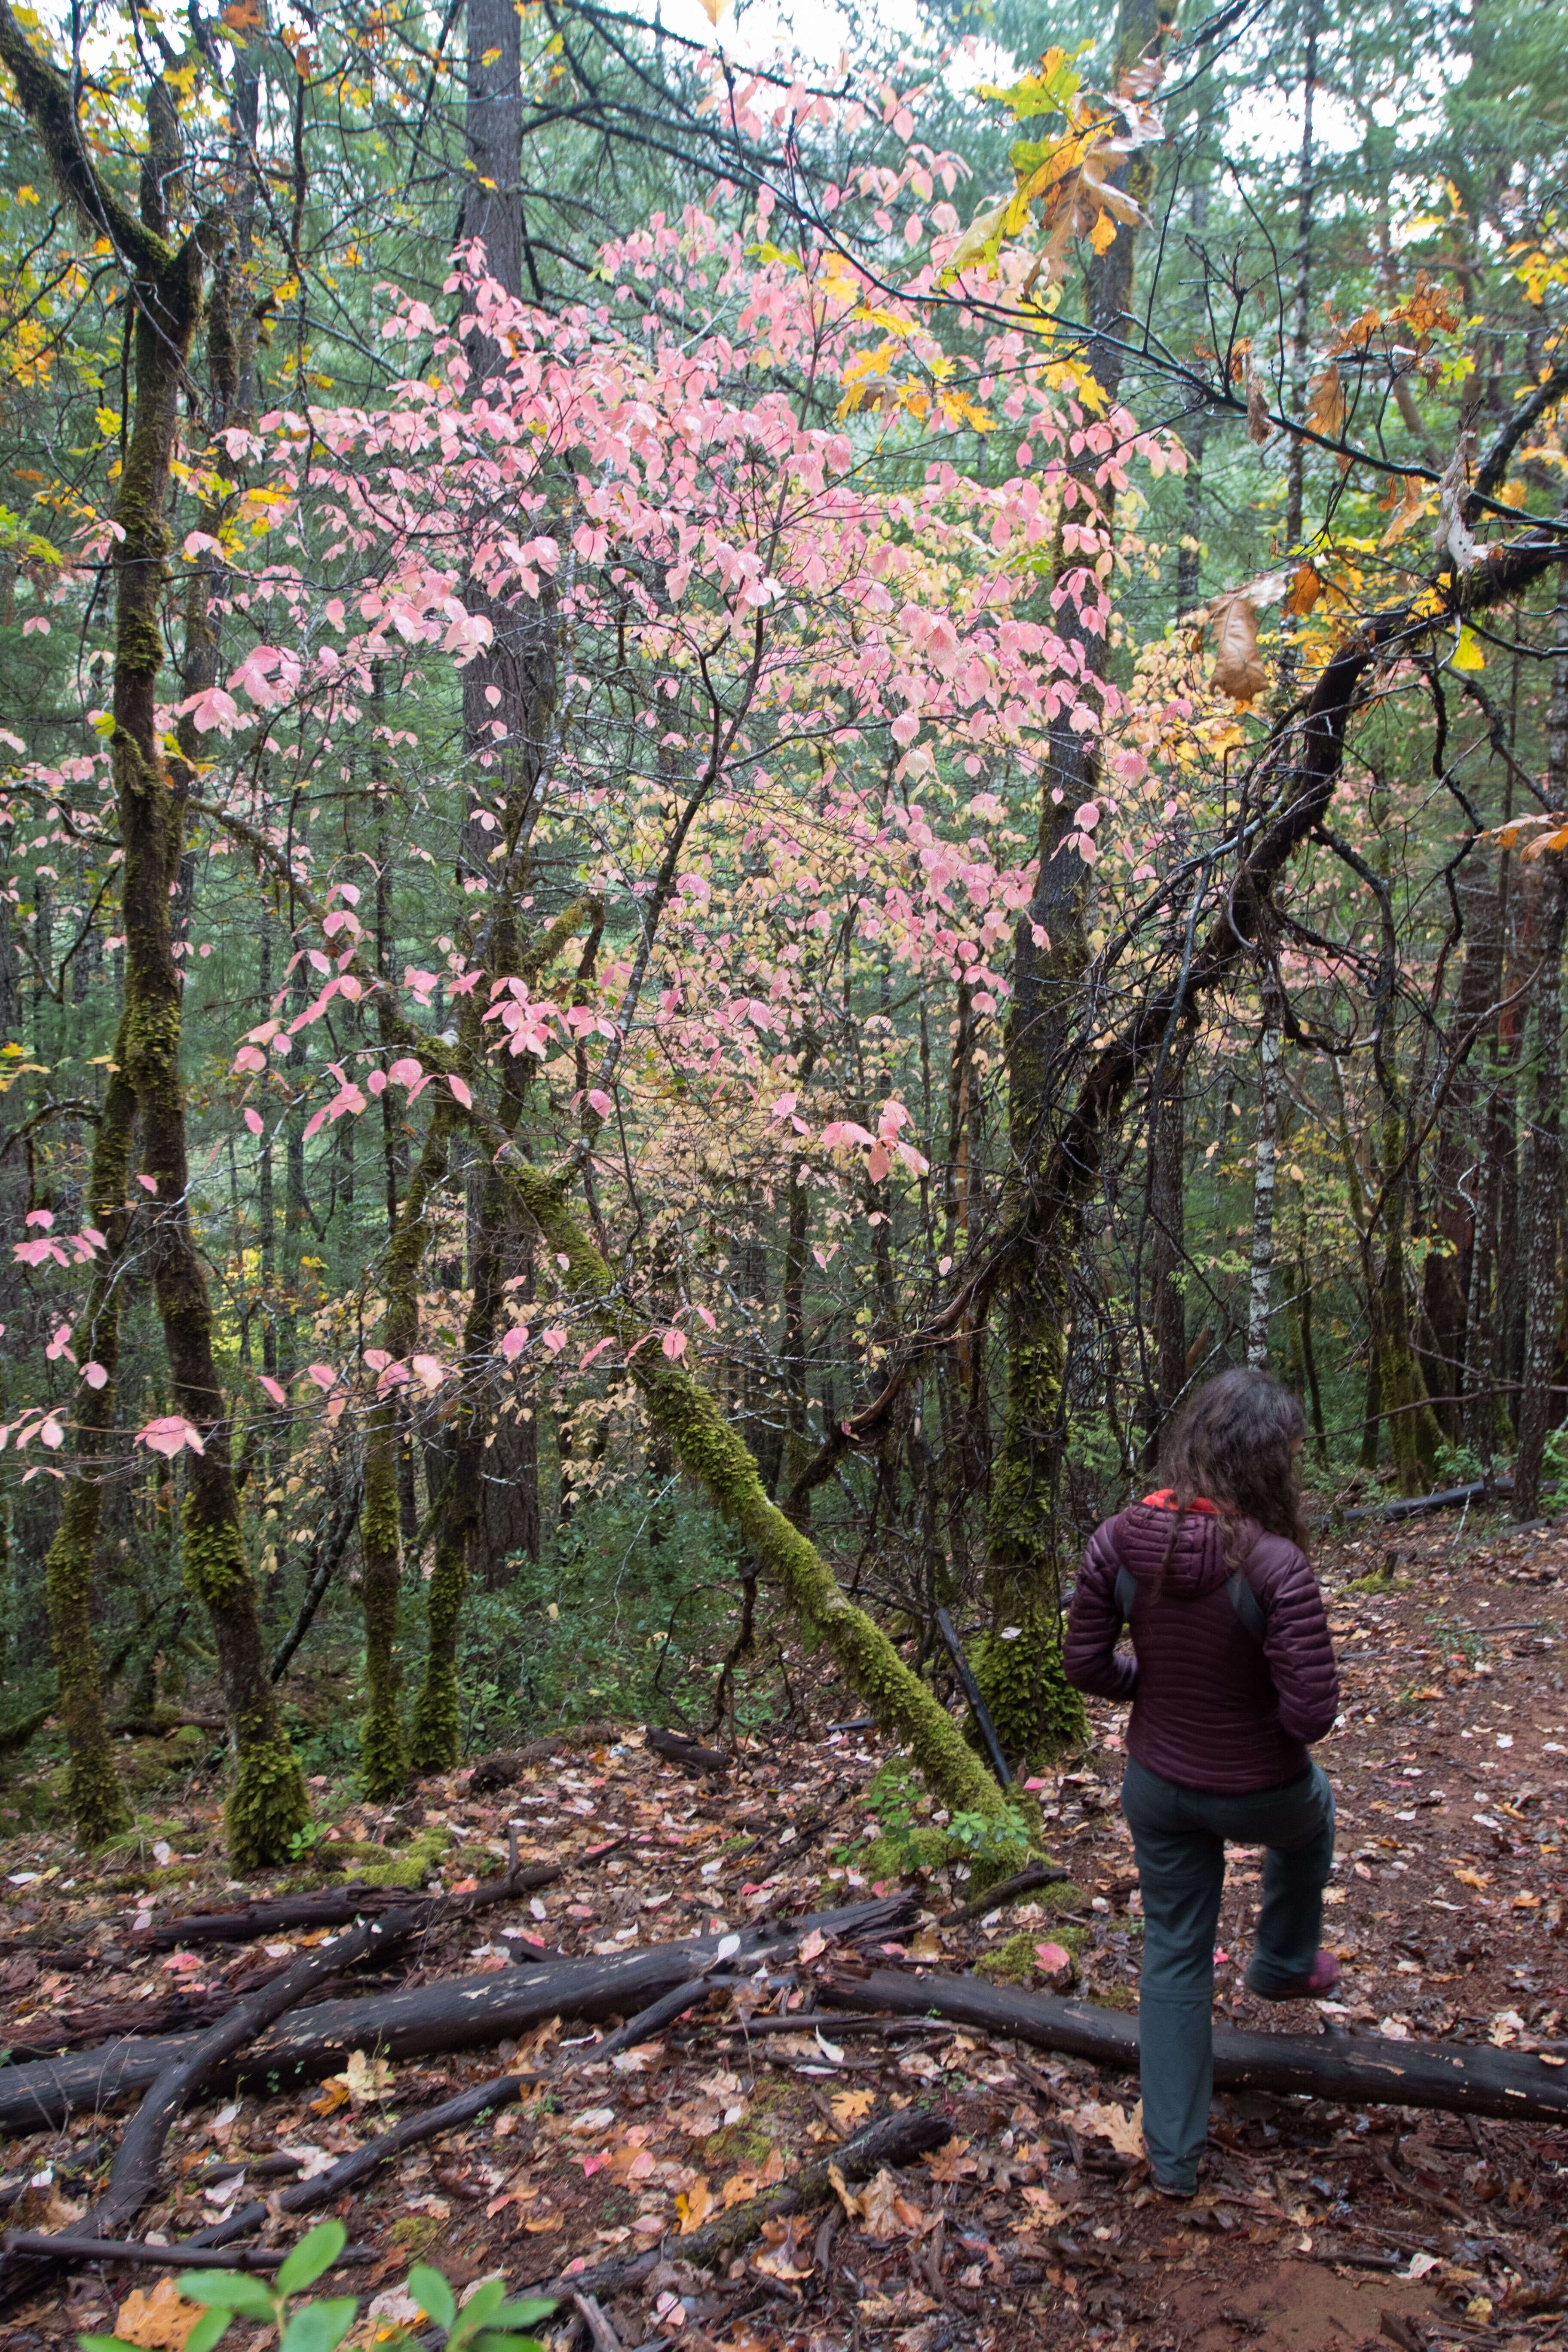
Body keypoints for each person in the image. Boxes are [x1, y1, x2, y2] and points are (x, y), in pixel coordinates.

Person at [1064, 1367, 1340, 2198]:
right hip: (1261, 1789)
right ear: (1266, 1464)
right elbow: (1310, 1717)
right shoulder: (1277, 1564)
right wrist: (1245, 1714)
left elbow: (1083, 1665)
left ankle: (1175, 2161)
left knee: (1175, 1952)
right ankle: (1283, 1962)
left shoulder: (1118, 1540)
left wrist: (1148, 1687)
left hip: (1157, 1785)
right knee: (1315, 1814)